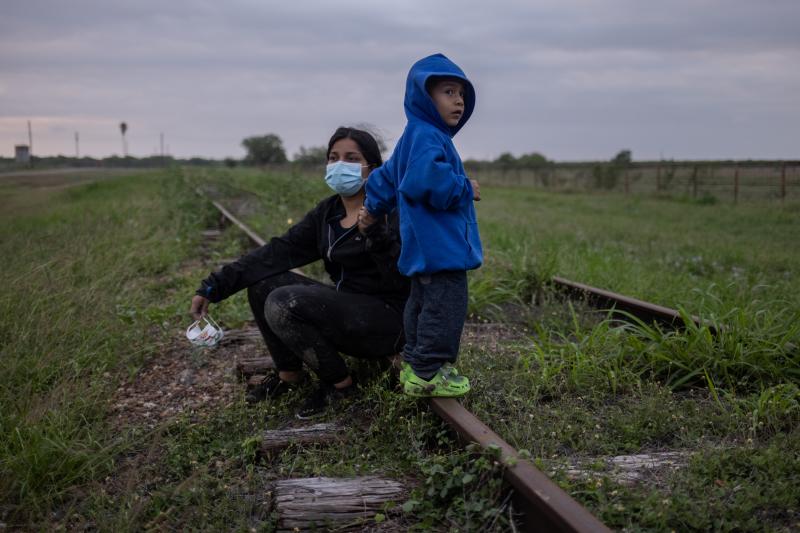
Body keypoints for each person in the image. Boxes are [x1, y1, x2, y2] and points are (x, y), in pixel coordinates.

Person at [190, 127, 409, 419]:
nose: (340, 165)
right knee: (264, 285)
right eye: (333, 157)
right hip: (348, 308)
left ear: (372, 167)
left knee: (285, 301)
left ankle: (341, 386)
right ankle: (290, 376)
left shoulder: (390, 211)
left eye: (352, 158)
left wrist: (376, 235)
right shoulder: (328, 213)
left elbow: (403, 278)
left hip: (388, 320)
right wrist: (213, 287)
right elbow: (277, 252)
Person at [358, 53, 482, 398]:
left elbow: (386, 177)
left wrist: (371, 206)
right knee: (446, 305)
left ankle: (416, 363)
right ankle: (429, 372)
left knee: (422, 302)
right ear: (424, 98)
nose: (458, 100)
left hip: (422, 245)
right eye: (447, 92)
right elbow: (424, 179)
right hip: (440, 245)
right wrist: (464, 186)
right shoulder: (428, 135)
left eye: (460, 93)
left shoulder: (414, 135)